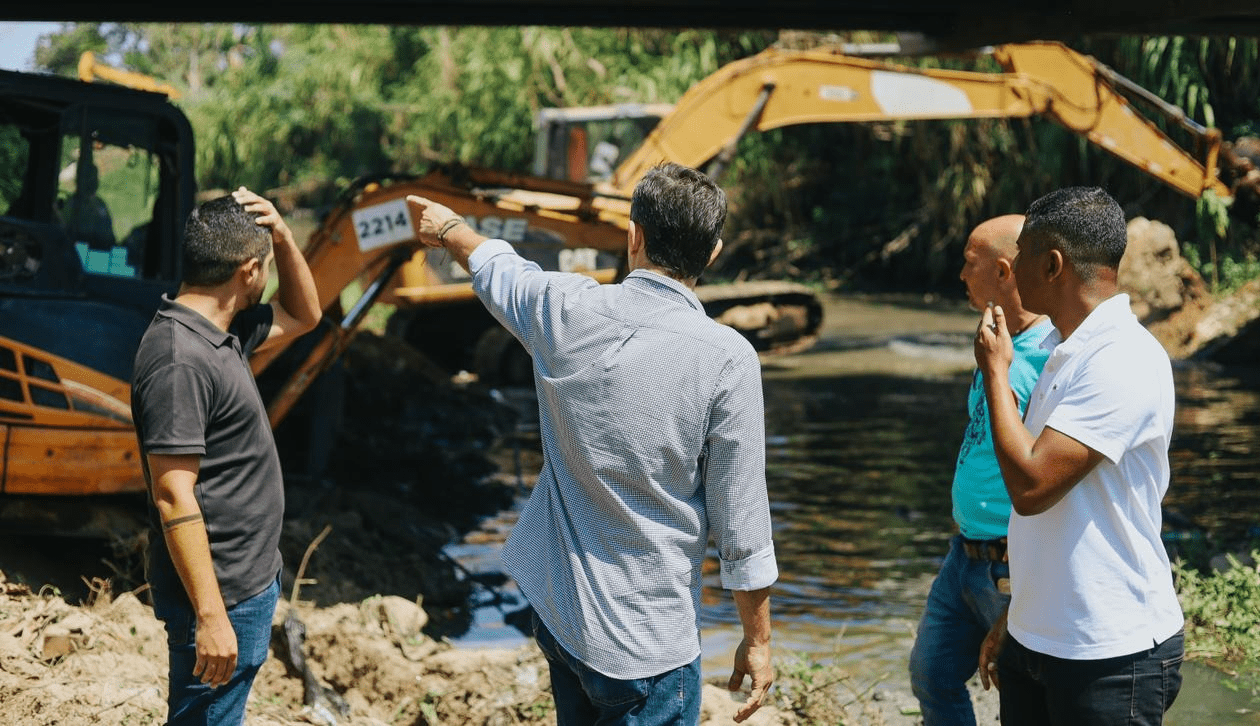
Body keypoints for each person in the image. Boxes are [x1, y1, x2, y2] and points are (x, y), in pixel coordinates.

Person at [406, 163, 777, 725]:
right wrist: (758, 639)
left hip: (562, 615)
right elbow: (741, 521)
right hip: (647, 642)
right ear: (714, 251)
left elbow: (497, 267)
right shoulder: (727, 358)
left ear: (634, 237)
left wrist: (449, 226)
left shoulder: (565, 309)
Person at [974, 187, 1184, 725]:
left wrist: (996, 371)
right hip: (1039, 639)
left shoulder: (1122, 360)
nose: (1012, 267)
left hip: (1110, 654)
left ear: (1052, 264)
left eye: (1021, 254)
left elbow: (1032, 489)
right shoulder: (1063, 351)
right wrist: (1017, 617)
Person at [131, 187, 322, 725]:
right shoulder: (180, 359)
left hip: (244, 581)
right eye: (264, 263)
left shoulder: (224, 332)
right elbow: (172, 495)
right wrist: (210, 617)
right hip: (219, 596)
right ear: (249, 271)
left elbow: (304, 315)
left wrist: (282, 236)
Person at [908, 214, 1052, 726]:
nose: (961, 276)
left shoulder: (1048, 361)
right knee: (932, 675)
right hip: (963, 555)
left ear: (1006, 271)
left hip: (1010, 564)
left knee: (1024, 696)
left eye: (971, 264)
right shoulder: (996, 342)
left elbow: (1050, 477)